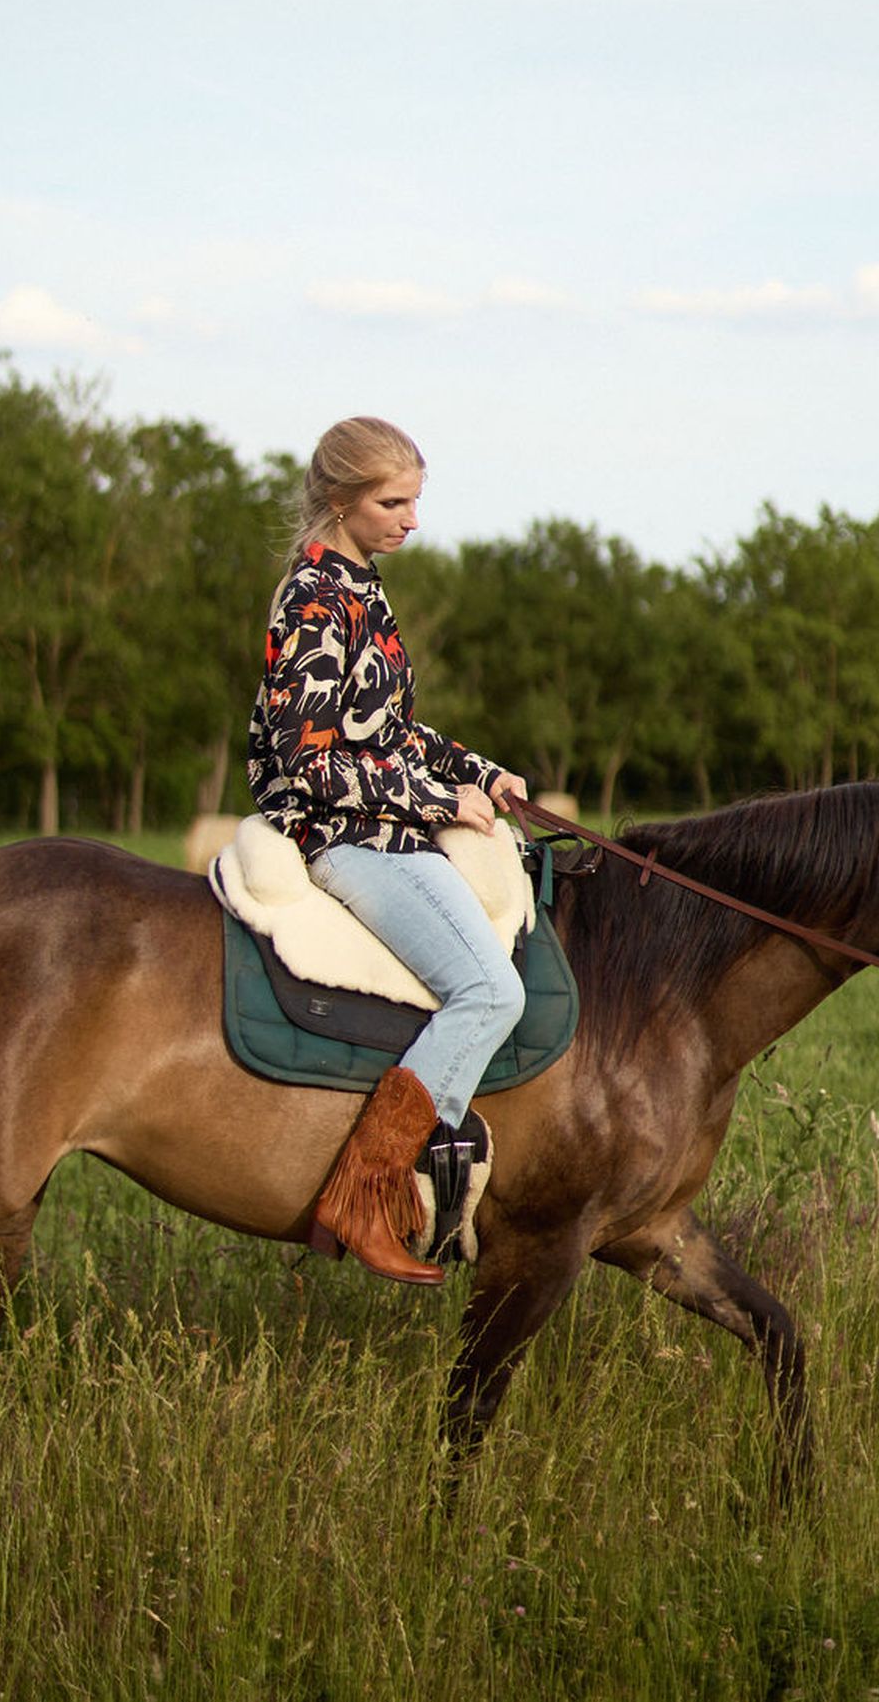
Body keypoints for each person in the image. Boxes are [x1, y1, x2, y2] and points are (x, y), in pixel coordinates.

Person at [246, 415, 528, 1285]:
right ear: (340, 500)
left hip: (387, 825)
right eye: (391, 500)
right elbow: (312, 757)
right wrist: (445, 800)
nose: (411, 518)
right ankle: (368, 1196)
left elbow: (391, 729)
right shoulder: (315, 597)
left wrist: (483, 771)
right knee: (489, 990)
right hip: (344, 837)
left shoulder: (364, 586)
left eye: (415, 499)